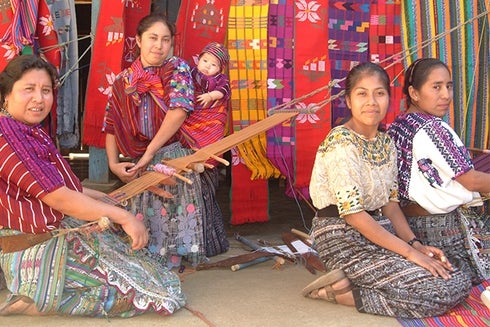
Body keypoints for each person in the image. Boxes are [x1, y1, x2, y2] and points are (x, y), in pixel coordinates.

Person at [0, 54, 185, 317]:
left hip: (52, 235)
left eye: (45, 91)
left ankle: (38, 295)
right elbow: (58, 197)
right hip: (37, 248)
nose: (39, 99)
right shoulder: (7, 136)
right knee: (149, 293)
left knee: (153, 272)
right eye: (28, 90)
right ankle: (39, 297)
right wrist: (124, 216)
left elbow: (67, 187)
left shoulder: (28, 131)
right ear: (7, 94)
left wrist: (112, 199)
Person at [304, 62, 471, 318]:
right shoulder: (341, 143)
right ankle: (349, 294)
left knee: (457, 278)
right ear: (348, 100)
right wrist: (410, 254)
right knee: (439, 292)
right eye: (362, 93)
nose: (371, 102)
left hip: (380, 232)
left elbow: (390, 205)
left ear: (388, 99)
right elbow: (353, 215)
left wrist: (415, 245)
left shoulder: (385, 142)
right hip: (343, 238)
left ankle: (351, 282)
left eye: (379, 93)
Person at [103, 13, 228, 268]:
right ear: (138, 40)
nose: (158, 45)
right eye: (152, 38)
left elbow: (179, 111)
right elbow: (111, 125)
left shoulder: (177, 68)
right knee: (138, 240)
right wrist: (114, 164)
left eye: (165, 39)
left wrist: (150, 153)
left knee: (173, 232)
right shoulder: (123, 81)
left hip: (174, 156)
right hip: (140, 162)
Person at [387, 58, 490, 285]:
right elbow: (471, 181)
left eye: (449, 86)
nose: (445, 94)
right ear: (414, 93)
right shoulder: (433, 128)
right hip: (448, 229)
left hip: (411, 227)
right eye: (436, 87)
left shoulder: (398, 125)